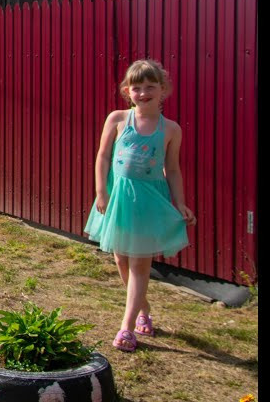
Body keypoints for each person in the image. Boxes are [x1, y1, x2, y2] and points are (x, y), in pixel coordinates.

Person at [83, 58, 196, 353]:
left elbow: (172, 169)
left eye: (150, 87)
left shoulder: (170, 129)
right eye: (137, 88)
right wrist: (101, 192)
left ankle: (127, 327)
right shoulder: (118, 119)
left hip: (149, 202)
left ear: (163, 89)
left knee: (139, 264)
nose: (143, 93)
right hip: (118, 198)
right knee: (121, 260)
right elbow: (103, 156)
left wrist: (180, 203)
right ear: (127, 91)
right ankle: (143, 308)